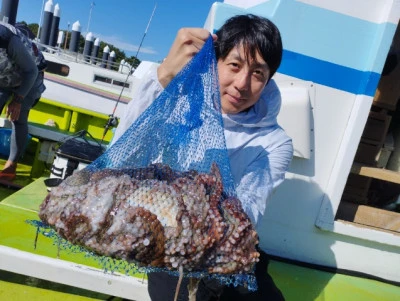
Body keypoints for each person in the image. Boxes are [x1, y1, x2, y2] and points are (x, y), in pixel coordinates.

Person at [112, 14, 293, 301]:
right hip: (168, 244)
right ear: (214, 62)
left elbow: (248, 211)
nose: (241, 84)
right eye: (234, 65)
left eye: (258, 73)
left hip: (229, 250)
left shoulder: (275, 142)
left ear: (269, 80)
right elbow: (120, 162)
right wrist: (163, 78)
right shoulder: (179, 104)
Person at [0, 21, 46, 181]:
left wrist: (18, 100)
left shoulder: (7, 38)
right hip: (3, 76)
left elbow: (31, 71)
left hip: (29, 75)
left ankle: (11, 164)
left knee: (18, 117)